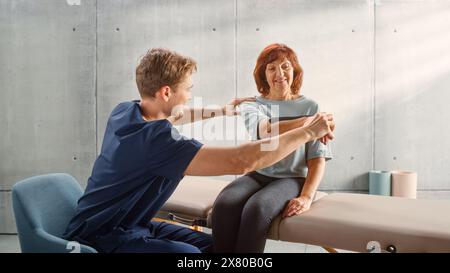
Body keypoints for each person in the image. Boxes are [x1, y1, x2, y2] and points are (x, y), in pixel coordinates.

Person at [62, 47, 335, 253]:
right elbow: (242, 160)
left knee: (215, 248)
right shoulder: (159, 143)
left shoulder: (126, 111)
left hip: (132, 223)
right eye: (188, 89)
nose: (191, 94)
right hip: (103, 237)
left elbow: (175, 115)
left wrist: (223, 110)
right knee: (194, 257)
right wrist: (309, 131)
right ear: (167, 92)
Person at [212, 43, 333, 253]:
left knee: (257, 209)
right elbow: (264, 131)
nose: (280, 73)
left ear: (295, 71)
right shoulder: (252, 104)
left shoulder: (311, 106)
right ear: (263, 75)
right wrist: (308, 123)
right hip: (258, 174)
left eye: (285, 66)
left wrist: (306, 197)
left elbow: (316, 159)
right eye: (271, 68)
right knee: (223, 204)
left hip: (291, 179)